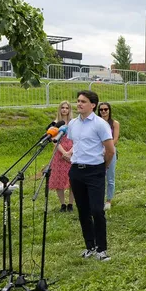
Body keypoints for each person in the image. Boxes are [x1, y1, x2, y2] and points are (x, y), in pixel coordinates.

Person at [66, 90, 115, 261]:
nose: (79, 104)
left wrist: (103, 166)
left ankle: (102, 249)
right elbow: (77, 144)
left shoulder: (100, 124)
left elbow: (110, 150)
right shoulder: (73, 123)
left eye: (83, 101)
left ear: (93, 105)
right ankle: (90, 246)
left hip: (95, 170)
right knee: (83, 211)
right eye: (78, 100)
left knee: (96, 210)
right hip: (76, 170)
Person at [49, 100, 75, 212]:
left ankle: (70, 204)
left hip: (73, 151)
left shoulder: (74, 123)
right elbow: (53, 140)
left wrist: (70, 152)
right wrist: (63, 152)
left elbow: (78, 138)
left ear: (69, 110)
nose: (64, 110)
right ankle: (62, 204)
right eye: (62, 108)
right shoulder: (55, 123)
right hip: (59, 152)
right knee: (59, 178)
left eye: (66, 108)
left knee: (72, 179)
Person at [98, 102, 120, 211]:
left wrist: (107, 147)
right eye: (101, 110)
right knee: (99, 176)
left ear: (109, 110)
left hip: (110, 150)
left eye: (106, 109)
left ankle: (109, 200)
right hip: (97, 151)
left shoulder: (114, 123)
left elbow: (115, 138)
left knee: (110, 176)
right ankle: (99, 198)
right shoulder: (96, 122)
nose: (103, 111)